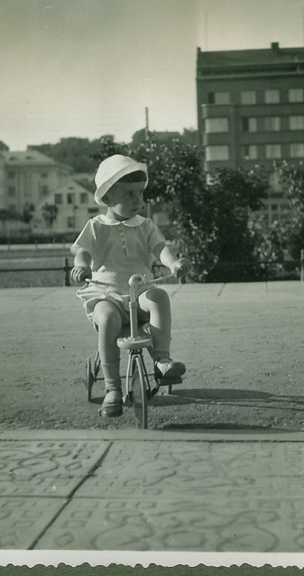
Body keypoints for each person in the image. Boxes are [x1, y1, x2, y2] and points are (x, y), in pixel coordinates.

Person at [70, 154, 191, 418]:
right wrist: (81, 266)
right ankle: (112, 388)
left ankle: (161, 360)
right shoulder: (96, 226)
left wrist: (173, 263)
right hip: (106, 293)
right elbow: (82, 253)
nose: (138, 201)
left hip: (139, 292)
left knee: (159, 296)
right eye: (129, 195)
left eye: (140, 194)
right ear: (107, 198)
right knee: (107, 317)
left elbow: (160, 249)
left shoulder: (145, 226)